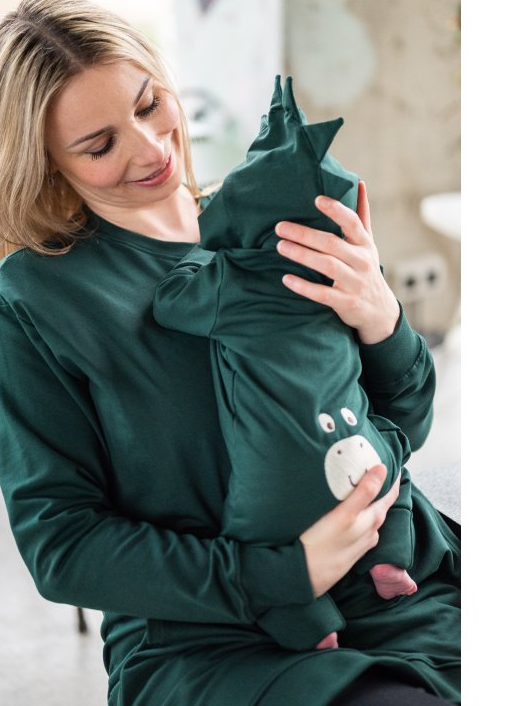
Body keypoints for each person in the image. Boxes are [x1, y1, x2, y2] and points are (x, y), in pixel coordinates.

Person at [0, 0, 460, 706]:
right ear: (45, 162)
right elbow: (63, 545)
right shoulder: (38, 299)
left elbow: (404, 420)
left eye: (150, 105)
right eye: (100, 145)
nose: (151, 148)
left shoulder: (266, 220)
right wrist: (283, 573)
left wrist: (380, 315)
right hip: (211, 642)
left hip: (402, 582)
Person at [153, 75, 420, 653]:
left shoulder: (230, 282)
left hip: (283, 486)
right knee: (393, 460)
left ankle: (311, 625)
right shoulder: (335, 275)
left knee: (258, 537)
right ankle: (391, 559)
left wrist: (196, 255)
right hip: (363, 454)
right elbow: (412, 421)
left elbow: (171, 303)